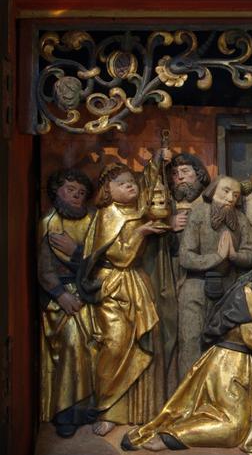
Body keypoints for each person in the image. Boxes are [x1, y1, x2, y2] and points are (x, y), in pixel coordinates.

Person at [122, 255, 252, 455]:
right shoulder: (246, 295)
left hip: (248, 369)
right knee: (233, 427)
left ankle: (177, 433)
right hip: (226, 365)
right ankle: (171, 437)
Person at [78, 153, 170, 436]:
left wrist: (157, 160)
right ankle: (106, 408)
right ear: (108, 190)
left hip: (135, 283)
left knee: (144, 343)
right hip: (112, 285)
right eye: (122, 183)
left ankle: (138, 411)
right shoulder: (109, 214)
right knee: (115, 346)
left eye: (132, 181)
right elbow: (119, 256)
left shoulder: (135, 209)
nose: (130, 186)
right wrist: (141, 233)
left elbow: (150, 184)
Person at [143, 152, 211, 394]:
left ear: (199, 175)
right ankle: (175, 393)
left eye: (186, 172)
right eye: (174, 174)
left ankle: (198, 393)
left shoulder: (210, 203)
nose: (180, 177)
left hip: (203, 280)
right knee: (172, 337)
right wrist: (167, 225)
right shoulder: (165, 205)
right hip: (169, 278)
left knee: (197, 338)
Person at [178, 175, 252, 379]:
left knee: (224, 343)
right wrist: (217, 257)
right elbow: (186, 257)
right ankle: (188, 394)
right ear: (213, 191)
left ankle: (217, 393)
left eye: (236, 195)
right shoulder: (198, 213)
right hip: (196, 287)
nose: (231, 198)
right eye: (226, 191)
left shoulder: (240, 219)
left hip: (228, 288)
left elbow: (251, 255)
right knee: (191, 341)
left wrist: (234, 256)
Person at [38, 169, 96, 437]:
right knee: (73, 342)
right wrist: (61, 294)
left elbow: (101, 259)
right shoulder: (49, 222)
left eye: (81, 193)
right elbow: (44, 269)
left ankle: (93, 406)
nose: (76, 196)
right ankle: (67, 410)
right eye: (70, 190)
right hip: (61, 299)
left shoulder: (92, 220)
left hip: (91, 291)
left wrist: (77, 252)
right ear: (56, 192)